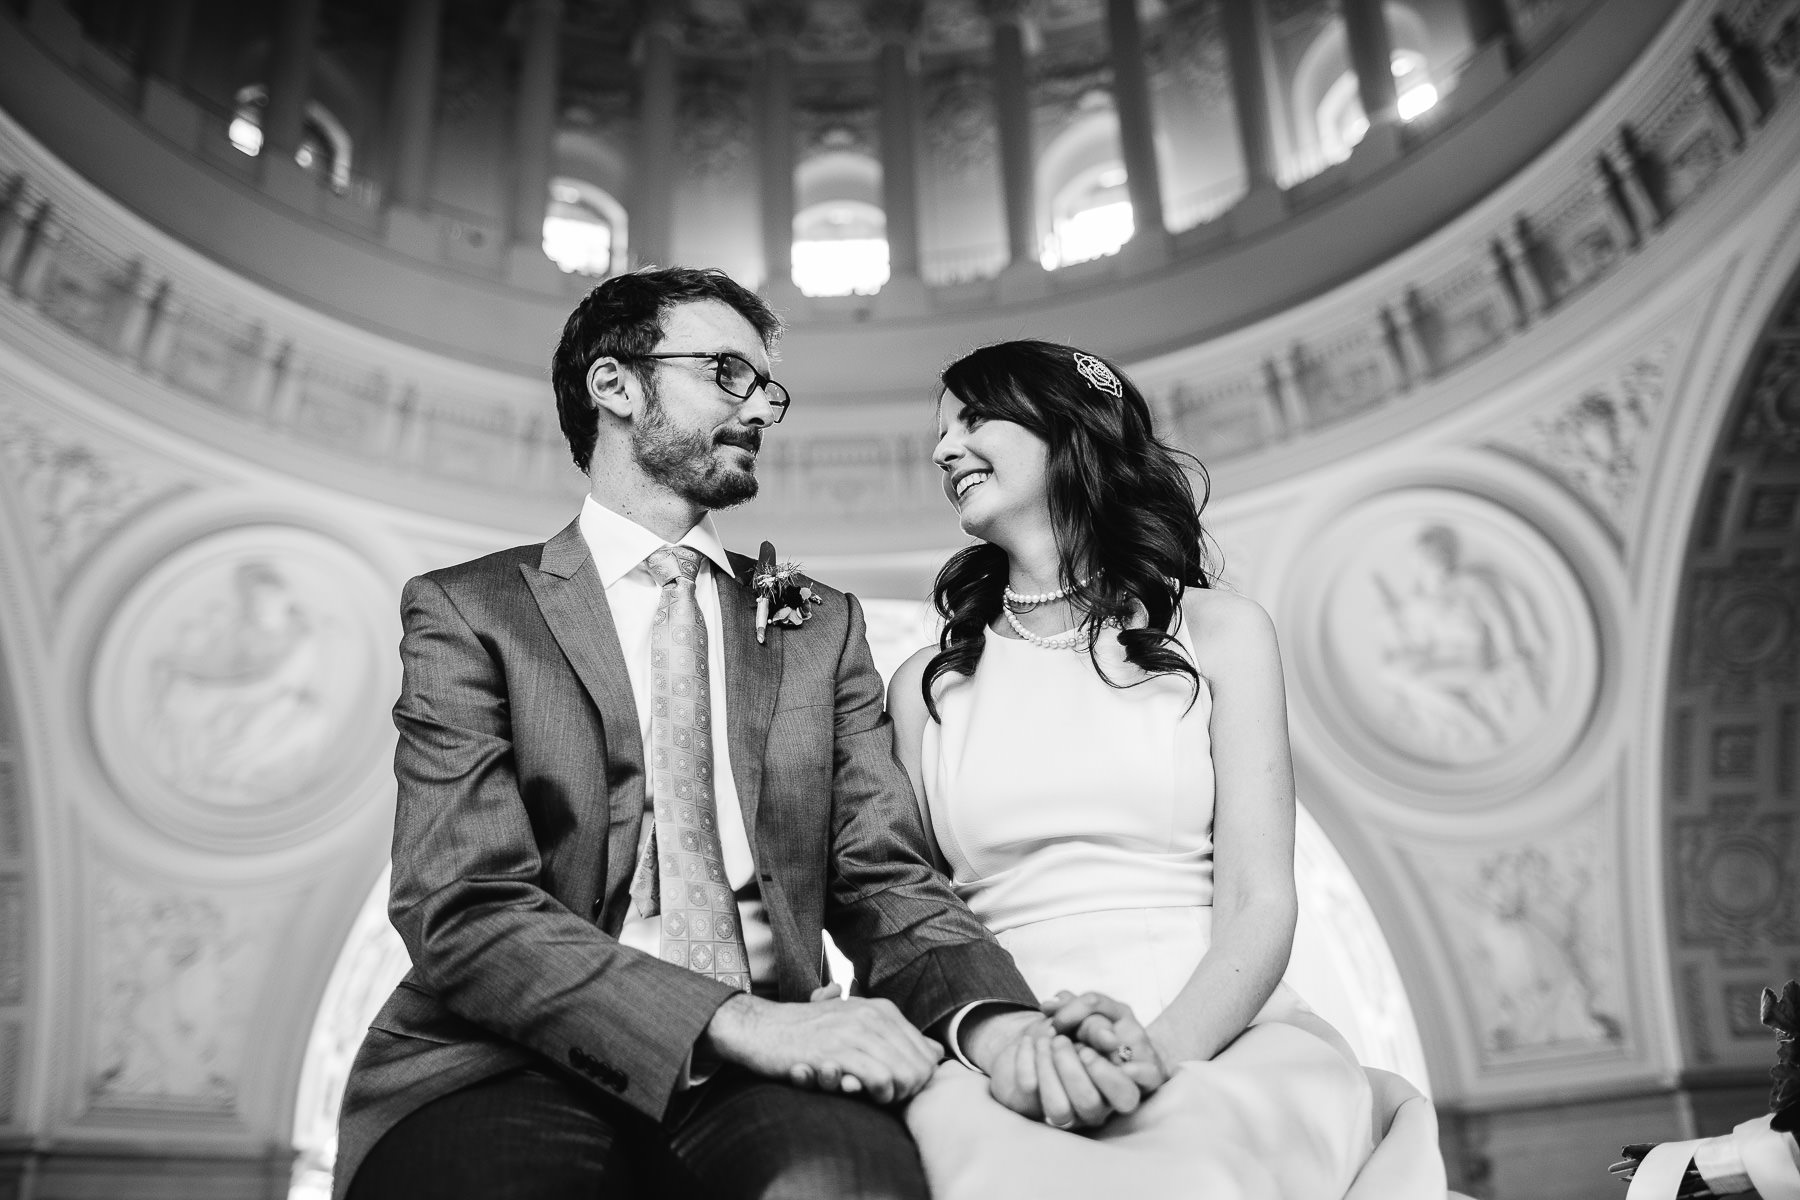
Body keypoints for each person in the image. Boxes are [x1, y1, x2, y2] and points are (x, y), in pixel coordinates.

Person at [331, 270, 1147, 1200]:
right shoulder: (471, 611)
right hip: (502, 1060)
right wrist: (727, 1019)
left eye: (768, 387)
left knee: (849, 1188)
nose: (761, 405)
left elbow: (884, 874)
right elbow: (462, 906)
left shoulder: (819, 626)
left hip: (775, 1067)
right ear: (616, 386)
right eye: (727, 372)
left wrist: (1003, 1026)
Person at [887, 340, 1451, 1199]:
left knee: (1203, 1164)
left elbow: (1261, 901)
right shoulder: (926, 683)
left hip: (1220, 1032)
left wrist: (1158, 1052)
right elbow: (919, 918)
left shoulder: (1222, 633)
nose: (942, 450)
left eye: (971, 419)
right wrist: (1016, 1048)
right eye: (938, 432)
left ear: (1064, 428)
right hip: (1006, 1050)